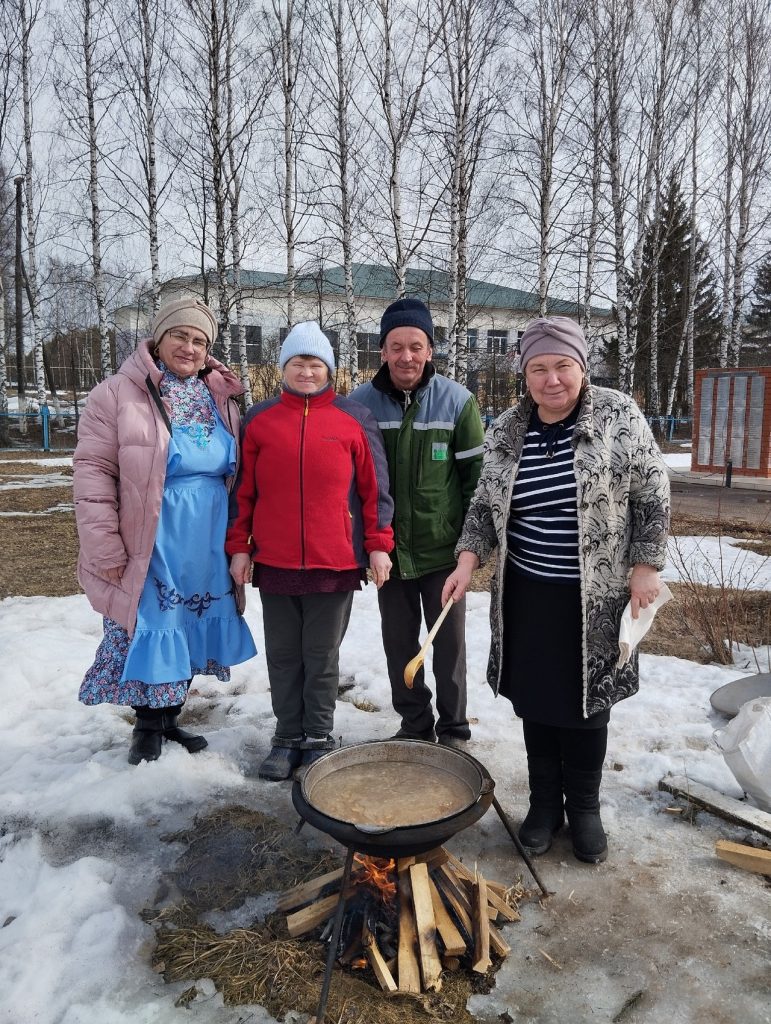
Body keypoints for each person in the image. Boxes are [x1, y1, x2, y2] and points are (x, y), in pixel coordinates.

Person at [442, 316, 670, 863]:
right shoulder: (507, 428)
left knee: (587, 704)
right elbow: (483, 504)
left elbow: (653, 493)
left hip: (594, 597)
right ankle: (544, 806)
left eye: (563, 366)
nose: (552, 380)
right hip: (526, 593)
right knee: (538, 701)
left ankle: (585, 809)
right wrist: (468, 559)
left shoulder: (617, 415)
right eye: (538, 369)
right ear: (524, 374)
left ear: (582, 367)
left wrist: (646, 565)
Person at [74, 296, 257, 765]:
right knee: (153, 622)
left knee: (189, 625)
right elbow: (93, 472)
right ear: (158, 338)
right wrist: (103, 543)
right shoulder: (116, 393)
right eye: (180, 335)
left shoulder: (222, 396)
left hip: (208, 537)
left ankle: (171, 718)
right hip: (151, 533)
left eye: (200, 341)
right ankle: (147, 725)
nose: (189, 348)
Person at [227, 322, 394, 781]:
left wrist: (378, 546)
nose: (306, 371)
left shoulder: (354, 418)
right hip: (275, 561)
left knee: (321, 657)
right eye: (298, 363)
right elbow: (243, 492)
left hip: (334, 562)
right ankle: (286, 737)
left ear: (329, 369)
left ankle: (318, 737)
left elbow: (375, 490)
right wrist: (239, 548)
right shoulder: (260, 419)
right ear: (284, 367)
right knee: (283, 656)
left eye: (315, 363)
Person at [350, 298, 485, 749]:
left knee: (448, 646)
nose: (406, 356)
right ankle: (414, 723)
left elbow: (476, 483)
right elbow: (352, 484)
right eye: (396, 346)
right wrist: (366, 543)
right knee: (399, 643)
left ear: (430, 350)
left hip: (443, 552)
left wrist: (470, 549)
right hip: (388, 553)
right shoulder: (360, 405)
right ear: (382, 351)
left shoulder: (457, 402)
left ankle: (454, 729)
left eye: (416, 346)